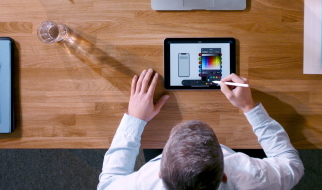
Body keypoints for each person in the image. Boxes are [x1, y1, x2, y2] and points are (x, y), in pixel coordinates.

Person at [98, 69, 304, 190]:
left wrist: (135, 119)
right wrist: (250, 107)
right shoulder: (249, 177)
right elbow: (292, 166)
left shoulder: (145, 182)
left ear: (160, 172)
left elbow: (108, 183)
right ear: (224, 175)